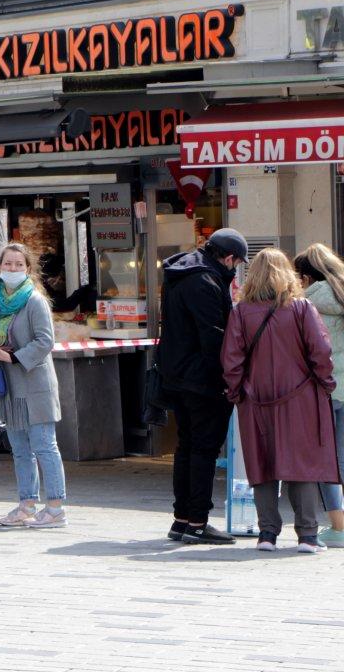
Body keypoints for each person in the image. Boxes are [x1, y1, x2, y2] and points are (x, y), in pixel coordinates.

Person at [221, 248, 338, 553]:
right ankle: (308, 536)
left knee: (261, 464)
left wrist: (237, 392)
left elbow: (231, 360)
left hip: (255, 398)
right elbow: (320, 351)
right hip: (301, 397)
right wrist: (325, 383)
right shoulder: (301, 307)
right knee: (303, 463)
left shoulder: (240, 311)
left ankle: (267, 534)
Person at [157, 228, 248, 545]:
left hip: (177, 377)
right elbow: (214, 339)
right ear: (229, 257)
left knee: (186, 448)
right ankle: (197, 522)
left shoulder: (182, 272)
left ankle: (181, 520)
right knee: (204, 452)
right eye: (236, 262)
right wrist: (228, 379)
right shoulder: (207, 281)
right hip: (203, 381)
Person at [0, 243, 68, 529]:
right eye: (7, 264)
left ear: (28, 269)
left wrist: (13, 357)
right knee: (20, 449)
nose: (12, 269)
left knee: (44, 446)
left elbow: (44, 341)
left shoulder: (34, 301)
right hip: (10, 388)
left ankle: (55, 508)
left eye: (18, 265)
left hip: (34, 384)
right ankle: (27, 504)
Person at [293, 244, 344, 548]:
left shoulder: (306, 305)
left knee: (329, 460)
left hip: (326, 390)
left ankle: (338, 526)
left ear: (307, 277)